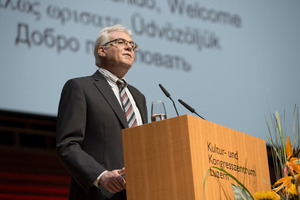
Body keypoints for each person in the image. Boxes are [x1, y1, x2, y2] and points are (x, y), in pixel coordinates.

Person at [56, 24, 148, 200]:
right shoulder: (80, 87)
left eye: (132, 44)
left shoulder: (138, 97)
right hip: (101, 194)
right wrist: (101, 176)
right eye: (121, 42)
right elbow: (67, 145)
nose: (129, 47)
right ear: (102, 51)